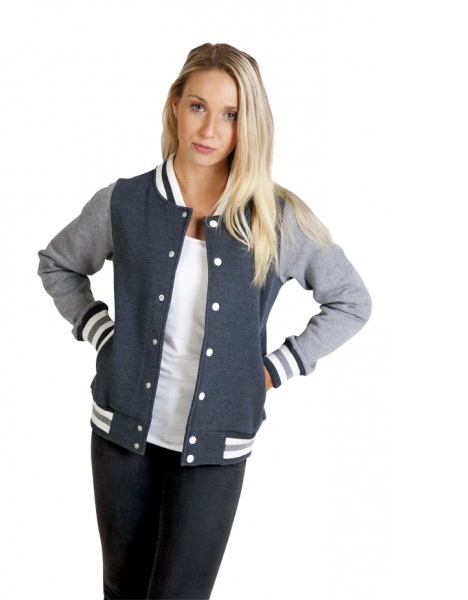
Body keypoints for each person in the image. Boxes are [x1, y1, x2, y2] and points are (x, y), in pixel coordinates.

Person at [37, 42, 372, 600]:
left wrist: (274, 369)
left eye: (231, 114)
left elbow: (351, 301)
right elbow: (58, 264)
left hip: (217, 443)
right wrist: (102, 334)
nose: (210, 128)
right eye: (198, 106)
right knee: (122, 590)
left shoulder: (275, 218)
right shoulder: (124, 202)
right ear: (175, 105)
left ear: (249, 124)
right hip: (121, 434)